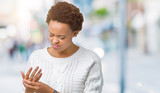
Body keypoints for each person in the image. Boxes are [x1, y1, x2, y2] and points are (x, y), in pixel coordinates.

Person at [20, 1, 103, 93]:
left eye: (61, 37)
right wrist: (28, 90)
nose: (54, 41)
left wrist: (50, 91)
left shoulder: (90, 60)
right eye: (51, 34)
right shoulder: (36, 57)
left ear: (75, 33)